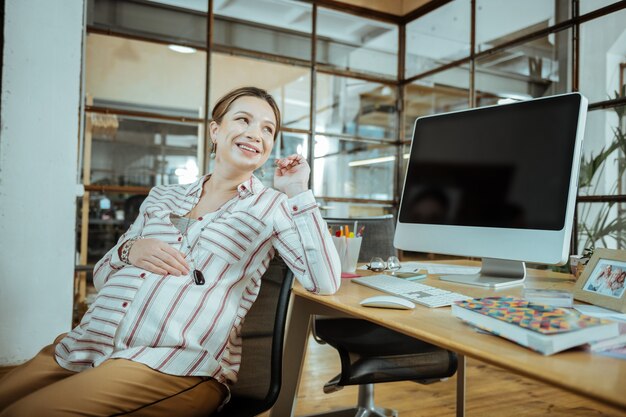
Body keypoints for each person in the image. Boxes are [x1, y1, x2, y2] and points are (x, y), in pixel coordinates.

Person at [0, 86, 341, 417]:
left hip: (173, 363)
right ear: (215, 130)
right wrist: (129, 250)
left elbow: (324, 281)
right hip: (86, 345)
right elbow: (102, 276)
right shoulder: (162, 196)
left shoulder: (273, 206)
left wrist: (298, 191)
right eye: (243, 120)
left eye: (268, 128)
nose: (256, 133)